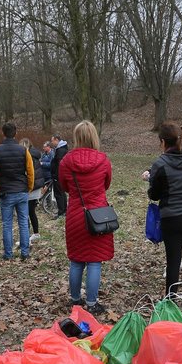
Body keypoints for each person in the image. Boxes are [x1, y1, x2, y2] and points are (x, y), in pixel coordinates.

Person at [145, 122, 182, 310]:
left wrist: (149, 180)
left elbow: (154, 195)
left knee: (173, 259)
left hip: (173, 216)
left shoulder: (160, 164)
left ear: (163, 142)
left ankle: (171, 303)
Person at [58, 120, 114, 315]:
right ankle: (91, 302)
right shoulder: (103, 160)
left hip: (75, 214)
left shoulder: (66, 161)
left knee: (76, 260)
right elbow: (106, 184)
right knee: (94, 261)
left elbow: (64, 186)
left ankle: (75, 300)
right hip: (98, 216)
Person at [0, 122, 35, 260]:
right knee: (23, 222)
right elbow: (31, 172)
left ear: (3, 133)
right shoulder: (23, 151)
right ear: (16, 133)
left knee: (7, 224)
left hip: (6, 192)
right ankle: (25, 253)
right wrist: (29, 188)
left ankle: (8, 254)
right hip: (21, 190)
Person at [20, 138, 43, 242]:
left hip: (31, 188)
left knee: (26, 212)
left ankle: (28, 236)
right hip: (35, 187)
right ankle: (35, 233)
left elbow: (29, 174)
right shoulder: (35, 155)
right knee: (31, 211)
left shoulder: (29, 157)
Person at [50, 133, 69, 218]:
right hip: (58, 175)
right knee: (61, 193)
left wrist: (56, 175)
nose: (52, 142)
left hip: (58, 176)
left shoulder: (61, 150)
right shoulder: (59, 149)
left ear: (56, 140)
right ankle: (64, 210)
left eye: (52, 140)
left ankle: (62, 212)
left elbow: (59, 165)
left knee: (59, 194)